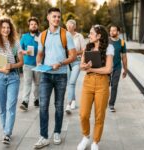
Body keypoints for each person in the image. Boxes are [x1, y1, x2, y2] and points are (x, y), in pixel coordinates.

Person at [34, 7, 77, 149]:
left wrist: (60, 63)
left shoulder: (66, 35)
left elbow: (73, 56)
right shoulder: (43, 35)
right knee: (43, 106)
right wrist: (38, 63)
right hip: (45, 75)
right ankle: (44, 137)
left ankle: (57, 132)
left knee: (59, 106)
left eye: (59, 17)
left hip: (61, 76)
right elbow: (40, 53)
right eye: (54, 16)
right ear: (48, 18)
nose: (57, 19)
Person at [0, 18, 24, 145]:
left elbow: (21, 62)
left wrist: (11, 66)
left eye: (8, 27)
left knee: (10, 107)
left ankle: (7, 133)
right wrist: (1, 69)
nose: (6, 30)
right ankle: (5, 131)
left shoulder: (16, 43)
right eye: (3, 28)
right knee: (1, 107)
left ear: (11, 29)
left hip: (13, 77)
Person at [77, 25, 114, 150]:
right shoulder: (87, 47)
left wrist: (90, 68)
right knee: (83, 114)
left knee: (99, 115)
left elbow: (108, 69)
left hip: (102, 83)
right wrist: (84, 66)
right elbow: (81, 66)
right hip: (88, 82)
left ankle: (95, 142)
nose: (89, 35)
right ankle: (86, 136)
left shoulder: (109, 48)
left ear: (99, 36)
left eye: (91, 33)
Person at [19, 17, 41, 111]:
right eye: (31, 24)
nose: (33, 26)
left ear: (37, 26)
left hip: (38, 65)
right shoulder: (24, 37)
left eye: (35, 24)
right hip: (27, 64)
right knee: (27, 83)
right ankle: (25, 102)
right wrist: (25, 52)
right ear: (29, 26)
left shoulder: (41, 36)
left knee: (37, 84)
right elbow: (19, 49)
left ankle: (36, 99)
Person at [65, 19, 86, 114]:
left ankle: (68, 104)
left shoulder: (79, 36)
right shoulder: (64, 35)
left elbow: (84, 50)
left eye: (71, 25)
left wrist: (74, 52)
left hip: (77, 61)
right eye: (67, 25)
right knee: (69, 83)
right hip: (67, 62)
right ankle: (73, 100)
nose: (68, 27)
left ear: (74, 27)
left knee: (72, 82)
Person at [108, 25, 128, 112]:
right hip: (107, 67)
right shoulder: (107, 41)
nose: (112, 32)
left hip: (117, 67)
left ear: (118, 32)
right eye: (111, 30)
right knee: (105, 85)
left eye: (114, 31)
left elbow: (124, 57)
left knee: (114, 86)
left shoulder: (122, 42)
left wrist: (125, 69)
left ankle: (111, 104)